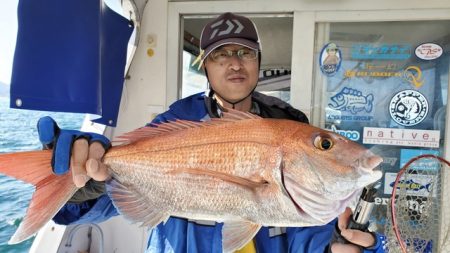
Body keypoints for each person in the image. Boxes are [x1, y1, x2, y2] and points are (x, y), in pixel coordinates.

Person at [37, 12, 385, 253]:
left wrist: (333, 243)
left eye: (244, 52)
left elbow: (302, 230)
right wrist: (87, 188)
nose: (235, 63)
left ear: (258, 62)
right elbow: (116, 201)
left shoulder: (288, 122)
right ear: (204, 65)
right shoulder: (175, 121)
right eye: (221, 55)